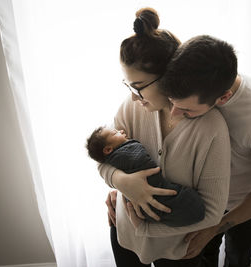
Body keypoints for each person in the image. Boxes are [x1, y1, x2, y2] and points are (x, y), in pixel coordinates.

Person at [97, 8, 231, 266]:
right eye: (128, 86)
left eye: (138, 87)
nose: (134, 95)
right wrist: (121, 181)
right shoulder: (130, 107)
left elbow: (213, 212)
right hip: (124, 234)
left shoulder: (211, 128)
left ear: (168, 76)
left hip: (178, 247)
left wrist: (146, 228)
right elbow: (103, 159)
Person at [159, 35, 251, 267]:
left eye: (186, 110)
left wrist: (216, 226)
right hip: (201, 200)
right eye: (171, 102)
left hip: (244, 204)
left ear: (223, 98)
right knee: (202, 258)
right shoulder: (188, 83)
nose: (173, 114)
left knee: (238, 259)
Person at [86, 126, 205, 227]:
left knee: (178, 204)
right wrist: (120, 180)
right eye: (115, 133)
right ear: (108, 149)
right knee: (179, 202)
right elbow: (102, 165)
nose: (121, 131)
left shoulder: (114, 149)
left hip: (135, 223)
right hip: (125, 224)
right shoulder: (122, 154)